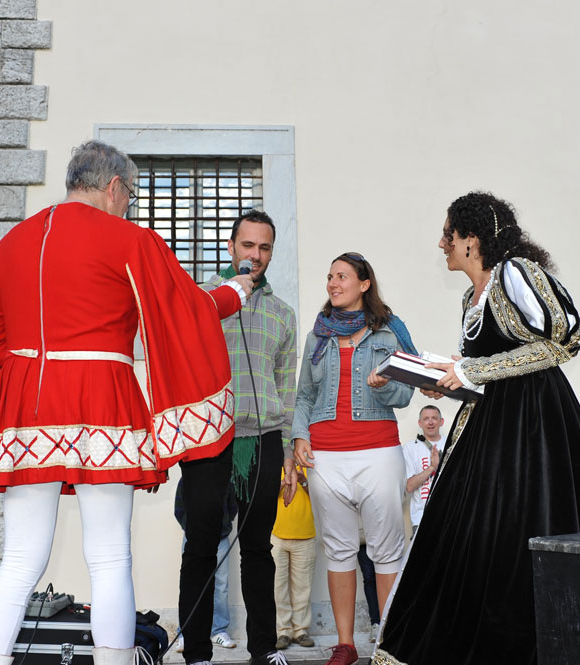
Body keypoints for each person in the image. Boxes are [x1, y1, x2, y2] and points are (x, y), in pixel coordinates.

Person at [0, 141, 253, 665]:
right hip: (102, 397)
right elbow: (187, 308)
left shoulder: (11, 243)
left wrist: (37, 363)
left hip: (26, 405)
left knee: (20, 558)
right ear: (114, 187)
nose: (130, 206)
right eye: (130, 196)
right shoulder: (129, 240)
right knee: (111, 556)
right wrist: (236, 292)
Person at [373, 191, 580, 665]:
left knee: (519, 523)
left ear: (472, 239)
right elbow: (485, 365)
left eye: (449, 234)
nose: (442, 244)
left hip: (534, 426)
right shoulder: (471, 296)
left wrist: (472, 372)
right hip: (487, 422)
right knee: (471, 531)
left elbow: (563, 342)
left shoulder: (516, 273)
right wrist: (448, 377)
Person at [180, 210, 298, 665]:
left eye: (264, 247)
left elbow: (286, 387)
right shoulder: (201, 300)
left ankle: (264, 649)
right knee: (201, 544)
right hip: (209, 439)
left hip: (264, 439)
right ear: (231, 248)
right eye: (248, 245)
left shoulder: (283, 313)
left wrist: (288, 451)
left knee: (257, 548)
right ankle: (196, 653)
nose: (255, 255)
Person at [292, 252, 417, 665]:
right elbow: (305, 397)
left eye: (342, 276)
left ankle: (387, 643)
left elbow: (403, 395)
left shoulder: (387, 333)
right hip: (325, 456)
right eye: (329, 276)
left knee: (386, 551)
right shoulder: (318, 335)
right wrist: (298, 437)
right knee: (340, 550)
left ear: (364, 284)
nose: (332, 283)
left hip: (378, 451)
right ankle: (345, 644)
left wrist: (382, 384)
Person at [173, 478, 238, 652]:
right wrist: (191, 528)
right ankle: (185, 633)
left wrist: (223, 526)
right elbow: (179, 510)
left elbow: (233, 507)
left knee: (221, 585)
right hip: (193, 537)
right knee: (191, 584)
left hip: (221, 538)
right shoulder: (187, 479)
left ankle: (218, 630)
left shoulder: (227, 479)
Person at [271, 467, 317, 650]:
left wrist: (303, 481)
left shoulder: (311, 463)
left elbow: (325, 498)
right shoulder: (275, 460)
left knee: (303, 587)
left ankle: (301, 631)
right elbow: (262, 498)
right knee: (277, 587)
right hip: (276, 535)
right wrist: (281, 484)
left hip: (305, 534)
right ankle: (283, 632)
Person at [401, 405, 445, 539]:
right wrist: (432, 467)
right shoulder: (410, 448)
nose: (430, 422)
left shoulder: (453, 443)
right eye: (426, 419)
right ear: (420, 423)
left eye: (434, 418)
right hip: (421, 520)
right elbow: (409, 486)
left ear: (441, 422)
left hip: (450, 517)